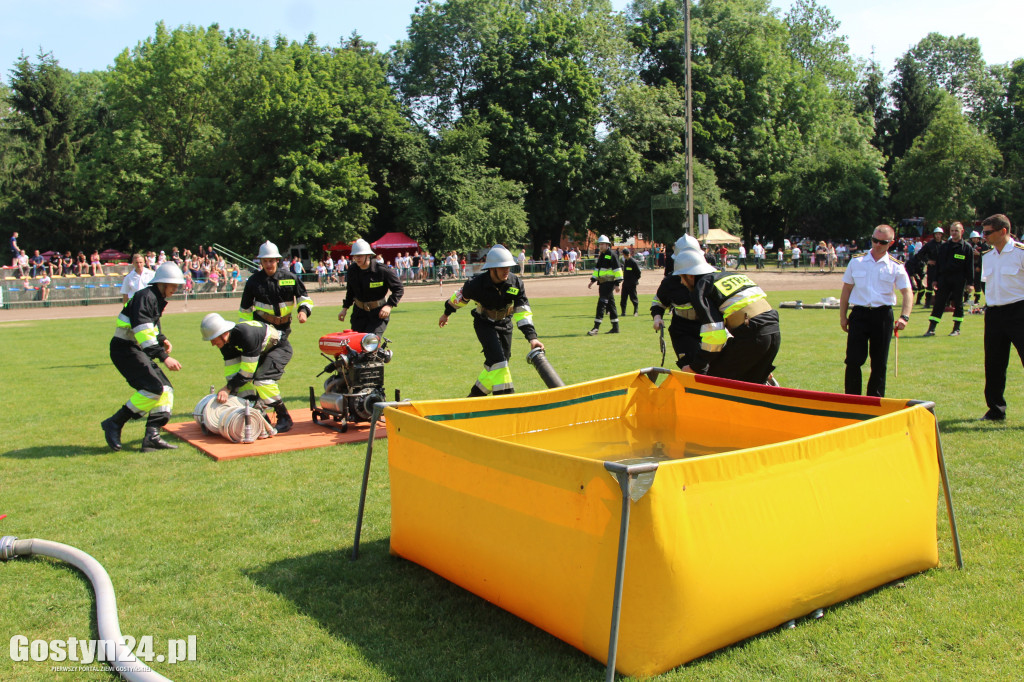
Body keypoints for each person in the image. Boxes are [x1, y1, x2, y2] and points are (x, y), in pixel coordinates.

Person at [100, 262, 185, 452]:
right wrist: (164, 357)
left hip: (135, 349)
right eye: (173, 285)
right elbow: (143, 331)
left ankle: (152, 437)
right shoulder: (146, 296)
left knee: (165, 390)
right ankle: (114, 422)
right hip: (125, 349)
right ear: (162, 283)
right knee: (154, 388)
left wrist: (162, 338)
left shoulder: (154, 298)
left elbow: (151, 325)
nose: (176, 289)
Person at [438, 244, 544, 396]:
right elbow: (459, 298)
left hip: (505, 324)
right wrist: (446, 313)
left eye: (509, 267)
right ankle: (504, 403)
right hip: (484, 324)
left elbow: (523, 311)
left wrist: (532, 338)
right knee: (499, 363)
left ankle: (473, 400)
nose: (507, 270)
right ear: (492, 268)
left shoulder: (515, 283)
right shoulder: (475, 284)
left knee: (496, 364)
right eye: (502, 267)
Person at [672, 247, 781, 384]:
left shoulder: (702, 287)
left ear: (690, 275)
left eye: (681, 277)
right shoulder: (732, 275)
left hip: (753, 337)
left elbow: (715, 334)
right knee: (752, 387)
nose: (681, 282)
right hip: (774, 334)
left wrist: (696, 366)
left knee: (712, 379)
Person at [238, 240, 314, 432]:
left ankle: (275, 413)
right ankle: (261, 411)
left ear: (278, 260)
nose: (269, 264)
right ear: (261, 262)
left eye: (272, 260)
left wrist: (303, 311)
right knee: (256, 376)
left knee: (262, 376)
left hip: (282, 333)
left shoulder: (289, 277)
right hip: (261, 333)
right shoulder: (254, 281)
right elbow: (245, 310)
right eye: (266, 261)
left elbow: (304, 297)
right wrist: (250, 333)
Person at [838, 225, 912, 397]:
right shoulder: (857, 261)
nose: (877, 245)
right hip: (859, 314)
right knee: (853, 360)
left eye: (883, 242)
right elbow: (846, 290)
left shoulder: (896, 266)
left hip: (882, 316)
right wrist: (842, 316)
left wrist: (904, 317)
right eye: (875, 240)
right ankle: (851, 399)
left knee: (879, 363)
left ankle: (875, 401)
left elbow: (907, 292)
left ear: (891, 243)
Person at [978, 214, 1024, 421]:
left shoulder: (1020, 253)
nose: (983, 236)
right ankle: (996, 409)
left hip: (1019, 311)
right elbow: (985, 284)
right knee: (994, 363)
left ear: (1003, 231)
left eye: (988, 232)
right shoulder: (987, 256)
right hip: (994, 313)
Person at [200, 313, 288, 416]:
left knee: (262, 380)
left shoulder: (246, 335)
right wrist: (232, 391)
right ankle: (256, 414)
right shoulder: (225, 345)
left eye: (213, 339)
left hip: (279, 348)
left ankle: (283, 416)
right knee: (239, 383)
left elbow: (247, 373)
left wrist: (227, 388)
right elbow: (233, 371)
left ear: (223, 334)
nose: (212, 344)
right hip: (262, 351)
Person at [651, 235, 702, 370]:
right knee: (690, 369)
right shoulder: (670, 282)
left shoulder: (709, 278)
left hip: (708, 328)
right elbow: (658, 302)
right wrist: (657, 318)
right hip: (683, 330)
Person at [338, 238, 404, 335]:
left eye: (360, 255)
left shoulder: (381, 270)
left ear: (368, 255)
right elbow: (351, 291)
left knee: (370, 343)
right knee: (356, 345)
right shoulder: (352, 270)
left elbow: (398, 288)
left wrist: (389, 305)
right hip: (359, 314)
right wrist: (345, 309)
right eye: (355, 256)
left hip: (378, 314)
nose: (357, 258)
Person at [923, 221, 974, 337]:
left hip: (959, 279)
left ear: (962, 231)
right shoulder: (944, 247)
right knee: (939, 303)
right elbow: (938, 264)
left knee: (958, 303)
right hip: (944, 279)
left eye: (956, 230)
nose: (954, 233)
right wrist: (935, 279)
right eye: (952, 230)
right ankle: (931, 328)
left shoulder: (967, 248)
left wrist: (970, 283)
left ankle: (956, 328)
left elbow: (969, 268)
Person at [587, 235, 623, 335]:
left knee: (601, 304)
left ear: (607, 245)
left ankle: (596, 328)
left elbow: (618, 270)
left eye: (602, 244)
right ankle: (615, 327)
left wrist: (617, 283)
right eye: (600, 244)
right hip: (602, 283)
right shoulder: (602, 255)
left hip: (609, 283)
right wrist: (592, 280)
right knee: (611, 305)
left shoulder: (612, 254)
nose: (600, 246)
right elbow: (597, 270)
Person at [917, 227, 944, 308]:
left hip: (942, 268)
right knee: (929, 286)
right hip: (932, 268)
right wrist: (927, 261)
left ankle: (940, 303)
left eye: (939, 234)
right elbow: (920, 254)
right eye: (936, 234)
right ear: (934, 235)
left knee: (941, 286)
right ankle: (927, 303)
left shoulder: (945, 244)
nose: (938, 236)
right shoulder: (929, 245)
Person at [619, 248, 642, 316]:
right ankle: (623, 312)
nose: (623, 256)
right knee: (623, 298)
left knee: (633, 297)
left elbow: (638, 273)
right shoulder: (626, 261)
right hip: (625, 283)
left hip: (632, 283)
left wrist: (634, 280)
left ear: (625, 255)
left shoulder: (633, 262)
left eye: (623, 254)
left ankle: (635, 311)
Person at [969, 230, 987, 305]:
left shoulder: (983, 246)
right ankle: (970, 298)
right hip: (971, 266)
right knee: (973, 283)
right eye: (973, 238)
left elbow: (985, 257)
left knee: (980, 284)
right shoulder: (969, 246)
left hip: (980, 267)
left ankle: (978, 299)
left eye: (976, 238)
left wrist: (978, 254)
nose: (974, 239)